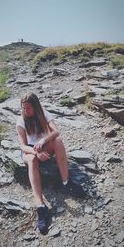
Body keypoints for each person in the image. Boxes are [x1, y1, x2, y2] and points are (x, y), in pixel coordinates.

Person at [16, 92, 82, 234]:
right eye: (23, 108)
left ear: (35, 107)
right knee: (33, 160)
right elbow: (22, 146)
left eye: (28, 108)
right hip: (29, 152)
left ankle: (66, 183)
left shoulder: (43, 114)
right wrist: (36, 152)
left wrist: (43, 141)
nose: (25, 111)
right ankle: (41, 207)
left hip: (43, 146)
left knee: (57, 141)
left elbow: (56, 132)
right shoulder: (20, 121)